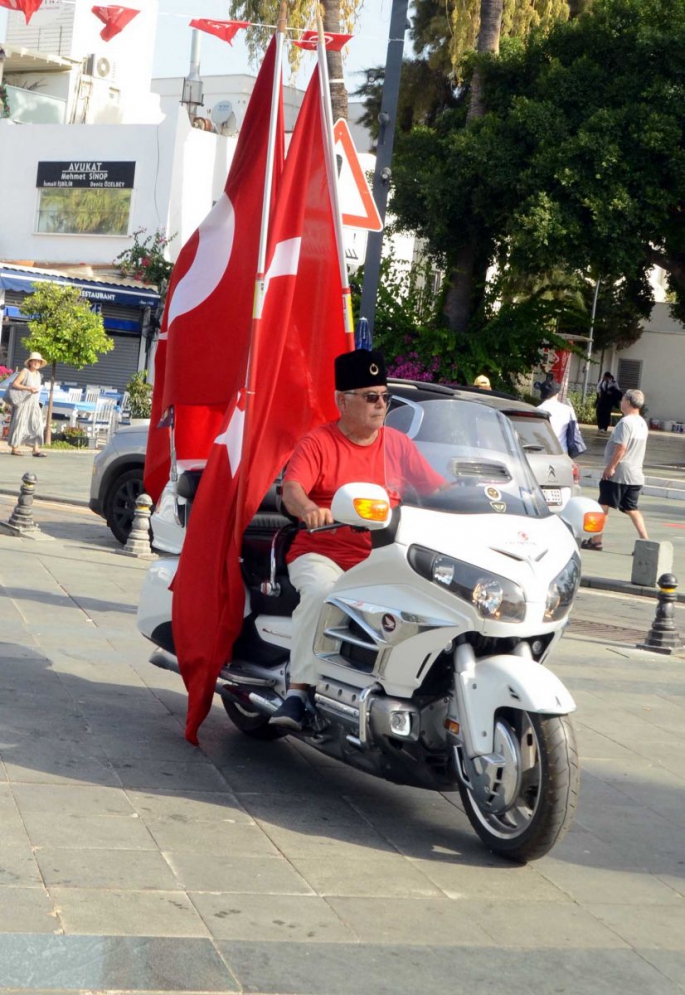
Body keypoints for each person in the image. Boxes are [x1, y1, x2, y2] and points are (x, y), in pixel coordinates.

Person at [269, 349, 445, 731]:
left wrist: (472, 495)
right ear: (342, 401)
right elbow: (293, 489)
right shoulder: (319, 442)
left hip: (384, 557)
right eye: (370, 397)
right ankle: (298, 692)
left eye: (385, 397)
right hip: (323, 551)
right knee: (321, 594)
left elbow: (435, 488)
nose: (380, 405)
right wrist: (309, 510)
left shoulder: (398, 445)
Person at [583, 388, 649, 551]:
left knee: (603, 505)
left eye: (623, 399)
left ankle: (596, 539)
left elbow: (621, 447)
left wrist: (610, 467)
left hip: (619, 472)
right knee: (631, 508)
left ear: (627, 402)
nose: (621, 402)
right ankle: (646, 541)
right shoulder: (642, 422)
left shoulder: (625, 423)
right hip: (635, 473)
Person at [8, 352, 47, 457]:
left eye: (39, 361)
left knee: (37, 424)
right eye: (35, 361)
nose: (37, 363)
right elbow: (15, 384)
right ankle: (15, 448)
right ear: (30, 362)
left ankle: (36, 449)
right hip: (24, 402)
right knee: (20, 424)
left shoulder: (38, 374)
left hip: (34, 402)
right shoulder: (25, 371)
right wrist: (28, 388)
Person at [537, 382, 577, 453]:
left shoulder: (538, 410)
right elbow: (575, 430)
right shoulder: (568, 410)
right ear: (556, 394)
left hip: (541, 451)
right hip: (562, 451)